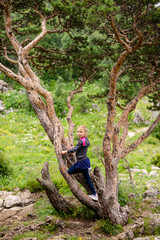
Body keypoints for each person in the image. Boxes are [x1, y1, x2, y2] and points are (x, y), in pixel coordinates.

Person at [61, 126, 98, 201]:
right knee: (88, 179)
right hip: (85, 161)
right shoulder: (86, 140)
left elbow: (75, 149)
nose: (79, 133)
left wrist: (65, 151)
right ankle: (95, 194)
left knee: (69, 171)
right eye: (78, 131)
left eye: (81, 132)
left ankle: (82, 169)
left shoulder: (81, 141)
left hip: (81, 162)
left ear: (85, 133)